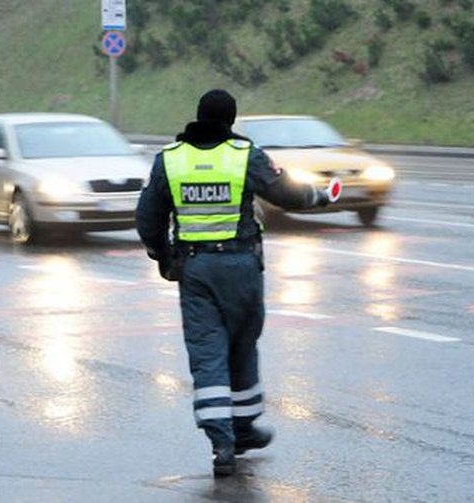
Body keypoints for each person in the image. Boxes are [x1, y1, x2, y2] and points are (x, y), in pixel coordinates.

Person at [135, 89, 334, 477]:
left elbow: (148, 217)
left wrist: (163, 255)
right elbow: (287, 193)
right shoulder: (245, 156)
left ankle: (223, 444)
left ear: (198, 116)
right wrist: (321, 196)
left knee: (207, 352)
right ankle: (243, 429)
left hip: (195, 270)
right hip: (242, 267)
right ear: (231, 120)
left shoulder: (170, 161)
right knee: (242, 345)